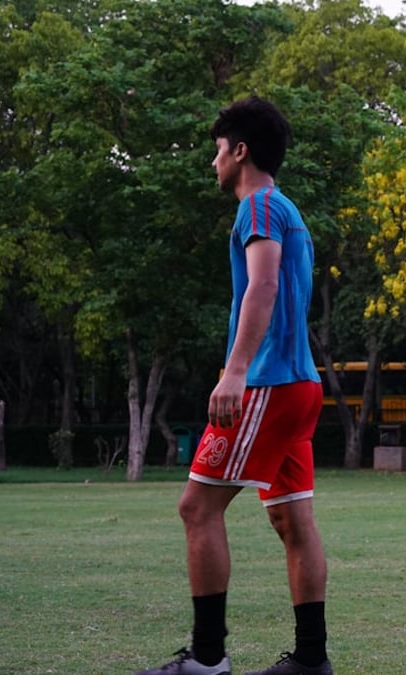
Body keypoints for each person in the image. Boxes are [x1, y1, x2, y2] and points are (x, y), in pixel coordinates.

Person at [138, 97, 332, 675]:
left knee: (197, 507)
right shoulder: (288, 209)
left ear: (240, 151)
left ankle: (206, 659)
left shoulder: (261, 208)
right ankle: (311, 662)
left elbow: (264, 286)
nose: (213, 163)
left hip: (269, 383)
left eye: (218, 151)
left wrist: (235, 370)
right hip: (302, 387)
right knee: (293, 521)